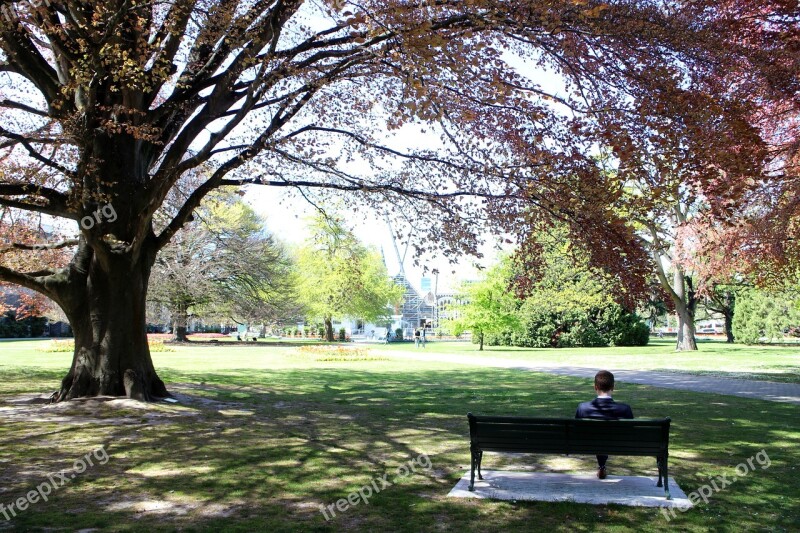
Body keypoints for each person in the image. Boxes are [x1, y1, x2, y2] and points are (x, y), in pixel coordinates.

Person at [575, 370, 634, 479]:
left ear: (595, 387)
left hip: (588, 444)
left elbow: (576, 432)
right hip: (619, 444)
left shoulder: (582, 408)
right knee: (604, 438)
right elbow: (631, 432)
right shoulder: (625, 409)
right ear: (613, 387)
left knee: (598, 438)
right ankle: (602, 466)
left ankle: (602, 466)